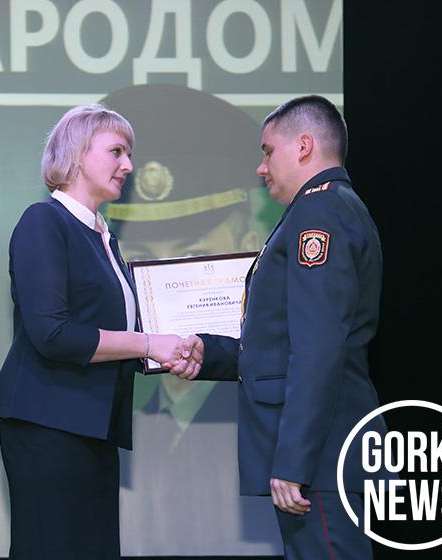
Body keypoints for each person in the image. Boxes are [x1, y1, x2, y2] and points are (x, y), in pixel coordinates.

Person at [172, 95, 389, 558]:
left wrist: (294, 461)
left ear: (304, 146)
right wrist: (210, 354)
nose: (261, 167)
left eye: (268, 151)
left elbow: (318, 348)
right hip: (327, 450)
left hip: (321, 456)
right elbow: (289, 340)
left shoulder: (319, 213)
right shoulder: (333, 208)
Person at [0, 104, 189, 560]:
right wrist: (149, 344)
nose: (129, 165)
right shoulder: (44, 221)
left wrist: (179, 346)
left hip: (94, 427)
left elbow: (124, 329)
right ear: (77, 155)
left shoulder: (104, 237)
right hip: (49, 426)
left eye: (129, 153)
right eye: (117, 151)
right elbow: (52, 333)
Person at [99, 85, 282, 555]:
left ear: (248, 243)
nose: (167, 275)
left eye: (193, 254)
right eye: (143, 257)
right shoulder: (124, 415)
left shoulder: (268, 405)